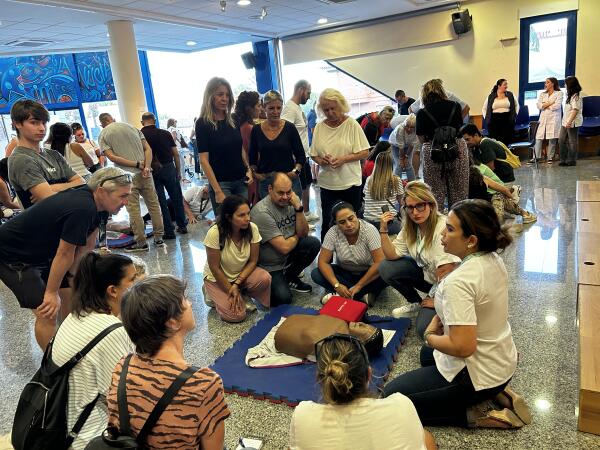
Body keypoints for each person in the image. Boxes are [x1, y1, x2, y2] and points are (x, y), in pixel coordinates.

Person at [384, 199, 530, 430]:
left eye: (450, 229)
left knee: (392, 400)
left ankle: (476, 414)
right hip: (502, 362)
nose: (443, 232)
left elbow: (463, 347)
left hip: (477, 373)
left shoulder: (458, 281)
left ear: (471, 241)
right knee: (426, 356)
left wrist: (430, 335)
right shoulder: (493, 259)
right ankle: (498, 391)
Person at [0, 167, 132, 349]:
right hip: (11, 255)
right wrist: (51, 292)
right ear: (101, 191)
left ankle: (69, 349)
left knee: (71, 297)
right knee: (47, 311)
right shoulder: (82, 207)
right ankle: (54, 369)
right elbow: (65, 253)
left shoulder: (100, 205)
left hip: (42, 252)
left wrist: (71, 278)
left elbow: (87, 246)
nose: (126, 202)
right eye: (122, 196)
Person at [107, 275, 230, 449]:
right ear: (172, 322)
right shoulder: (203, 383)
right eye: (185, 300)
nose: (191, 304)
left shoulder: (123, 366)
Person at [288, 333, 436, 450]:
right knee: (426, 437)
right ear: (369, 375)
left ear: (321, 378)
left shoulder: (303, 415)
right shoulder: (401, 405)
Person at [51, 252, 136, 450]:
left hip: (62, 426)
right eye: (132, 279)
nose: (140, 283)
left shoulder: (75, 316)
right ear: (113, 290)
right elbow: (122, 398)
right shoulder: (110, 330)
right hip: (89, 438)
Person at [378, 181, 459, 330]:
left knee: (423, 330)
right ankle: (417, 302)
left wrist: (435, 299)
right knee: (386, 267)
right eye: (410, 207)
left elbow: (447, 271)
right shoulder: (410, 227)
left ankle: (443, 305)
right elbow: (391, 255)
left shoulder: (441, 226)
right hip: (429, 277)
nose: (415, 212)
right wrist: (383, 231)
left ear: (431, 205)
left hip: (448, 284)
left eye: (420, 205)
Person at [250, 173, 320, 306]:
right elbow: (284, 247)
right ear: (270, 189)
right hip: (270, 265)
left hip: (287, 255)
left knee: (313, 244)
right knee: (283, 299)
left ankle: (289, 276)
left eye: (289, 192)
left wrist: (299, 209)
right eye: (280, 193)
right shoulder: (261, 212)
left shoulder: (293, 201)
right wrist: (297, 235)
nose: (285, 197)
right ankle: (272, 283)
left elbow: (304, 233)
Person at [98, 113, 165, 251]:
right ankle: (159, 238)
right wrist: (146, 166)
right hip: (146, 173)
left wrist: (136, 164)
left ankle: (141, 242)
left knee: (133, 209)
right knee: (154, 205)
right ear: (114, 119)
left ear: (102, 124)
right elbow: (148, 149)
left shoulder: (103, 134)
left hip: (126, 177)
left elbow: (112, 157)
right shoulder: (132, 128)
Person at [310, 88, 370, 240]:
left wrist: (344, 159)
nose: (330, 113)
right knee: (328, 225)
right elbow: (314, 154)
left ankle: (356, 257)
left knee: (353, 223)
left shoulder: (351, 124)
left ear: (341, 105)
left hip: (350, 183)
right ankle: (325, 260)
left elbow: (365, 152)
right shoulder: (319, 127)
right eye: (326, 110)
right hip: (328, 184)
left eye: (333, 108)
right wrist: (321, 161)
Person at [203, 195, 271, 322]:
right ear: (229, 217)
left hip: (239, 276)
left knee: (265, 278)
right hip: (217, 278)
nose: (247, 219)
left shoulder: (252, 228)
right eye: (241, 215)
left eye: (248, 213)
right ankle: (212, 295)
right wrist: (230, 288)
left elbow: (253, 261)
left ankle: (239, 292)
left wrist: (237, 284)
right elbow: (215, 268)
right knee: (237, 316)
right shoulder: (215, 233)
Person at [8, 99, 85, 209]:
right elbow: (49, 199)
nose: (42, 128)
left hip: (69, 220)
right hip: (45, 223)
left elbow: (81, 182)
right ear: (17, 123)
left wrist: (53, 188)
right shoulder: (21, 159)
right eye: (34, 122)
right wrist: (70, 187)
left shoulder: (54, 154)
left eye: (44, 122)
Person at [311, 201, 387, 306]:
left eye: (351, 218)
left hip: (368, 274)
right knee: (316, 273)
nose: (349, 225)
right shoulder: (333, 232)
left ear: (356, 215)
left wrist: (359, 285)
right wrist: (337, 285)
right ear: (336, 223)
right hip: (345, 273)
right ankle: (363, 295)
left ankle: (344, 295)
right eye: (342, 222)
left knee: (389, 271)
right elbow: (323, 262)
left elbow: (379, 262)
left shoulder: (369, 230)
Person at [195, 77, 253, 214]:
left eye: (227, 95)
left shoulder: (233, 119)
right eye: (220, 94)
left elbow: (240, 149)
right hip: (221, 184)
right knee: (226, 228)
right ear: (210, 96)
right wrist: (217, 191)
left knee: (244, 223)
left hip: (241, 181)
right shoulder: (203, 123)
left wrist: (248, 169)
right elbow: (204, 160)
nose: (224, 98)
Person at [415, 79, 469, 211]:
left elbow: (421, 138)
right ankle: (459, 223)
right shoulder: (455, 106)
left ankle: (437, 226)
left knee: (435, 192)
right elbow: (459, 125)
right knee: (459, 191)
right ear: (441, 91)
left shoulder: (422, 112)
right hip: (457, 148)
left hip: (432, 151)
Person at [249, 90, 306, 199]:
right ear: (264, 107)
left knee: (293, 213)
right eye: (271, 108)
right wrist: (255, 174)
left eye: (278, 108)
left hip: (289, 179)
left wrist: (296, 171)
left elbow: (301, 155)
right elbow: (252, 158)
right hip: (266, 182)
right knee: (269, 215)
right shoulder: (256, 130)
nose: (275, 112)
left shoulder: (290, 128)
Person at [140, 112, 188, 239]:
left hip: (151, 170)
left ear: (142, 122)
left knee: (160, 201)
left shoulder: (140, 135)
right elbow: (176, 154)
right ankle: (182, 225)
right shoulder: (165, 133)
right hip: (168, 167)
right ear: (154, 120)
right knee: (176, 197)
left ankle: (168, 231)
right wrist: (178, 171)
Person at [282, 80, 320, 223]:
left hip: (303, 155)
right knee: (298, 188)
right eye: (308, 93)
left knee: (307, 184)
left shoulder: (296, 107)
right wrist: (293, 157)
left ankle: (306, 212)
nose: (309, 97)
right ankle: (299, 218)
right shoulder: (290, 108)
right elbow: (284, 132)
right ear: (301, 90)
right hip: (296, 158)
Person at [274, 315, 383, 360]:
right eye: (368, 325)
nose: (361, 323)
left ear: (360, 342)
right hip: (291, 322)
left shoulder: (331, 346)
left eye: (365, 331)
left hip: (282, 336)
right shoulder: (342, 323)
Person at [469, 163, 536, 224]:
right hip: (480, 205)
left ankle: (523, 213)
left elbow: (504, 190)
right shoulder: (480, 176)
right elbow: (504, 190)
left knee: (498, 199)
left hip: (488, 202)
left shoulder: (480, 176)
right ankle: (522, 212)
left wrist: (512, 200)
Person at [363, 151, 404, 234]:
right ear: (391, 165)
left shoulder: (369, 180)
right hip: (389, 223)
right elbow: (402, 202)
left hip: (369, 223)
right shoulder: (395, 180)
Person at [233, 90, 261, 205]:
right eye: (258, 106)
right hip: (252, 172)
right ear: (250, 108)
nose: (261, 109)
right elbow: (256, 153)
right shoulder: (249, 128)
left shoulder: (240, 126)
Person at [532, 77, 563, 164]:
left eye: (547, 82)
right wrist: (550, 103)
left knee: (552, 137)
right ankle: (536, 157)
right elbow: (538, 105)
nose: (546, 84)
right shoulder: (542, 94)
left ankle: (550, 157)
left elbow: (557, 106)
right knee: (538, 137)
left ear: (553, 84)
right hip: (543, 117)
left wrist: (545, 105)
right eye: (545, 83)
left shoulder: (559, 93)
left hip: (554, 118)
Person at [482, 79, 519, 145]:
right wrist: (487, 119)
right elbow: (484, 108)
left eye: (507, 84)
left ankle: (507, 155)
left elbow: (517, 105)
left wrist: (514, 116)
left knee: (507, 140)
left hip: (507, 120)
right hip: (494, 121)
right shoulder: (491, 96)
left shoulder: (510, 95)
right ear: (499, 86)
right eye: (505, 84)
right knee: (496, 142)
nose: (506, 86)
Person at [559, 76, 583, 166]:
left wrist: (569, 122)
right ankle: (563, 159)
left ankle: (572, 160)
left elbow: (575, 110)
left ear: (570, 85)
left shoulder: (576, 96)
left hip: (572, 122)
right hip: (565, 121)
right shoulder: (569, 95)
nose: (564, 85)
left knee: (572, 141)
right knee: (561, 139)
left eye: (566, 83)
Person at [389, 114, 419, 181]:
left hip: (407, 145)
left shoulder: (417, 130)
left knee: (408, 164)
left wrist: (406, 157)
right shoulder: (400, 129)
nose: (409, 129)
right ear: (404, 124)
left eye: (411, 127)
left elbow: (411, 145)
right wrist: (402, 159)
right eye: (407, 126)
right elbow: (401, 147)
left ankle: (413, 185)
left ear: (415, 127)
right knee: (399, 165)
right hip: (396, 145)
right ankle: (396, 185)